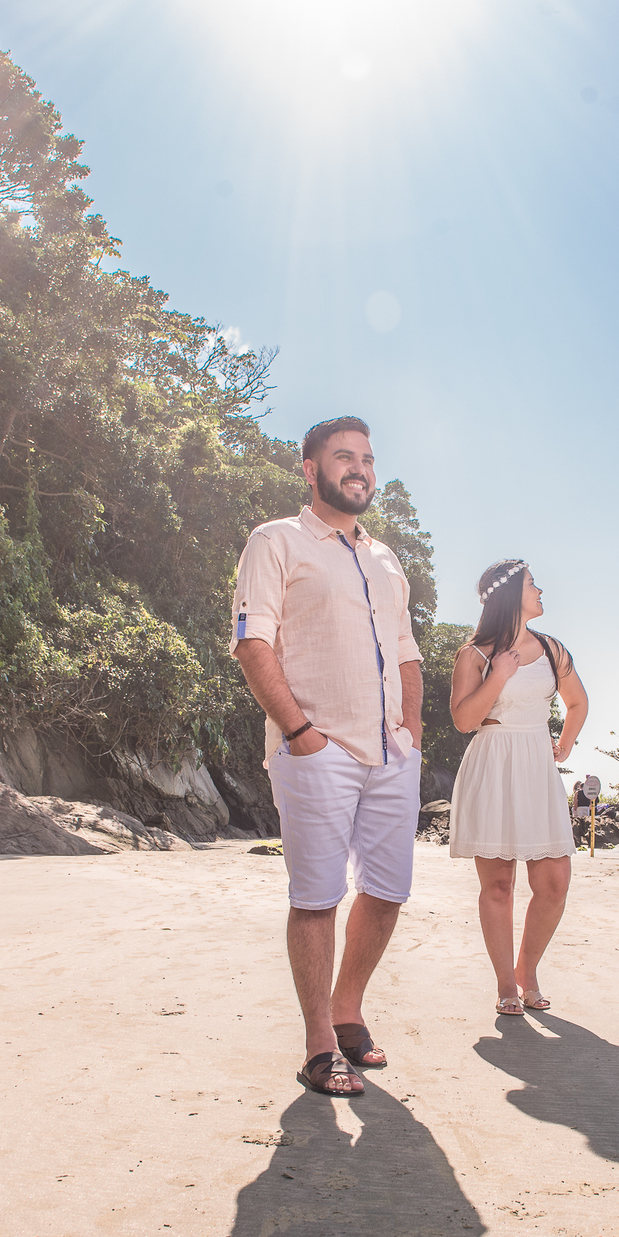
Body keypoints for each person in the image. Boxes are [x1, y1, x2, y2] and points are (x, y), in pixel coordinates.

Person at [231, 416, 423, 1097]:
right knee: (316, 900)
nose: (359, 468)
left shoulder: (386, 558)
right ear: (311, 470)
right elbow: (253, 642)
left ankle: (348, 1012)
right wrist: (300, 733)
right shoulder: (275, 541)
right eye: (344, 457)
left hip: (390, 753)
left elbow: (406, 654)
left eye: (366, 458)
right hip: (317, 749)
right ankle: (319, 1043)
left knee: (388, 893)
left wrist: (412, 734)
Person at [448, 560, 588, 1016]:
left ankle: (527, 969)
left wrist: (564, 745)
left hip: (537, 768)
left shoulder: (551, 649)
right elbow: (464, 720)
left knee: (554, 882)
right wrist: (498, 675)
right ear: (510, 594)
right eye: (532, 584)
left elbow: (577, 702)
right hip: (492, 763)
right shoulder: (475, 654)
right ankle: (506, 984)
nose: (541, 590)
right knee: (499, 885)